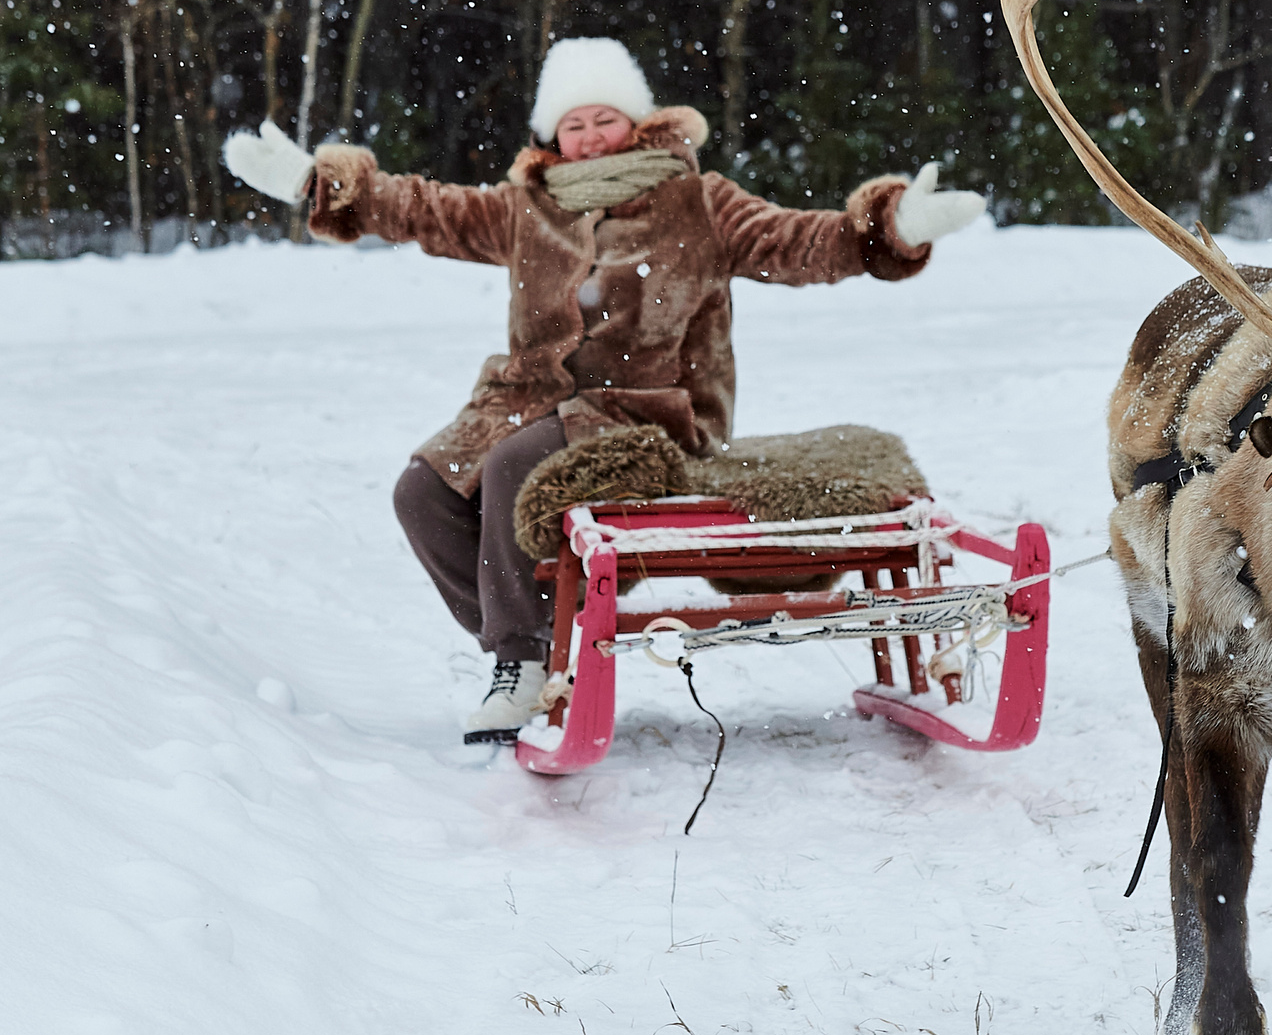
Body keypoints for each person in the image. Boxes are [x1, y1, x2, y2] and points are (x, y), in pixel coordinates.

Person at [225, 38, 983, 743]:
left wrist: (891, 227)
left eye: (605, 118)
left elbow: (797, 241)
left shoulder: (699, 199)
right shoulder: (528, 206)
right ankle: (544, 631)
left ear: (637, 120)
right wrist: (315, 184)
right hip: (524, 400)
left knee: (512, 468)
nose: (590, 135)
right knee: (419, 493)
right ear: (555, 136)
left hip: (651, 413)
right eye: (574, 123)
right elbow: (426, 209)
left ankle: (524, 663)